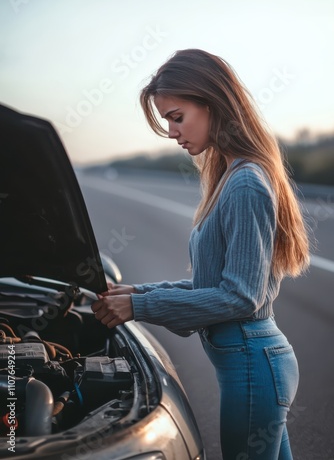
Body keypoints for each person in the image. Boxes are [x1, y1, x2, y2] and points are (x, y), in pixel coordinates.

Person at [91, 49, 310, 459]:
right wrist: (136, 291)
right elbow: (212, 286)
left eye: (177, 117)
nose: (172, 132)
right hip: (254, 362)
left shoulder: (245, 183)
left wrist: (140, 306)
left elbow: (240, 297)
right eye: (167, 121)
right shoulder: (231, 176)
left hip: (253, 365)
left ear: (212, 103)